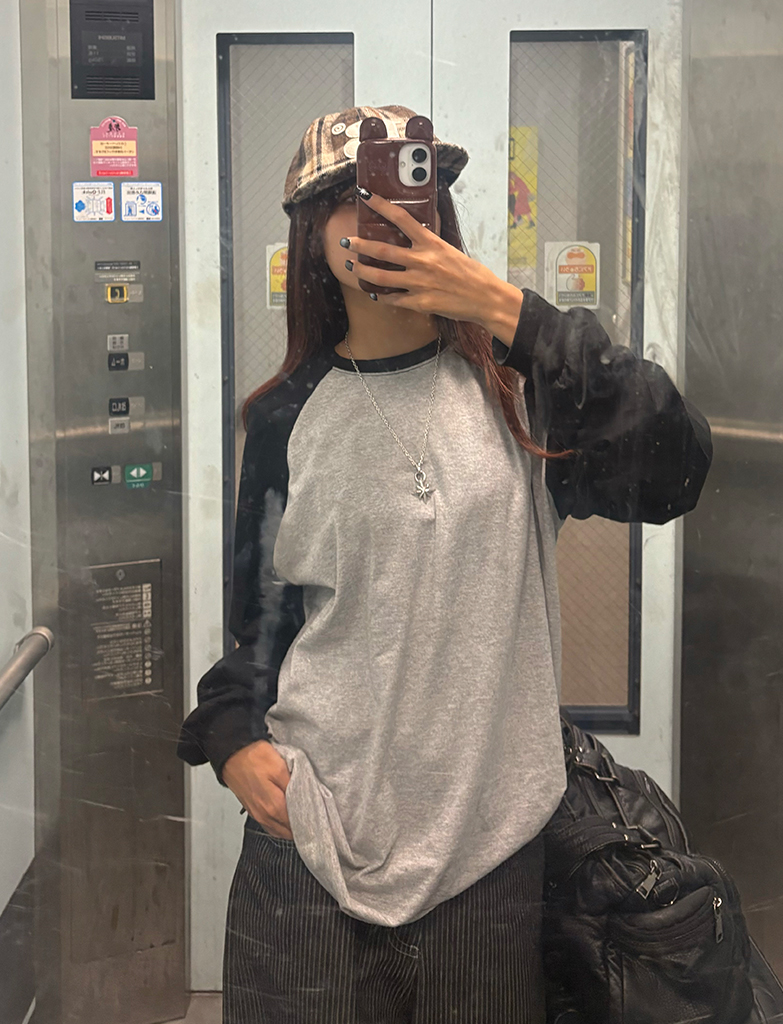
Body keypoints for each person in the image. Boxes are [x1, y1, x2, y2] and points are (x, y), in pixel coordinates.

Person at [177, 105, 712, 1023]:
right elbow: (263, 628)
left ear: (441, 213)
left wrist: (508, 312)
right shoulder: (285, 418)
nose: (382, 215)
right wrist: (233, 741)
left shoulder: (522, 393)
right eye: (352, 197)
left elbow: (678, 465)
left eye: (406, 189)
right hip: (312, 838)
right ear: (313, 235)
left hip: (489, 850)